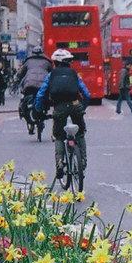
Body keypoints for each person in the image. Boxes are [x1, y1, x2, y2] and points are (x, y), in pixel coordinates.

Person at [35, 49, 91, 181]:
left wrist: (38, 109)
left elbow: (41, 94)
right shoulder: (74, 74)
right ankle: (82, 160)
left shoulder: (51, 75)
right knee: (80, 133)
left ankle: (60, 163)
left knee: (59, 136)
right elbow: (86, 94)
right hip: (75, 104)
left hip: (59, 107)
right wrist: (82, 107)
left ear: (56, 62)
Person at [18, 46, 52, 136]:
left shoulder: (28, 61)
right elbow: (51, 74)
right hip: (42, 86)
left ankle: (31, 124)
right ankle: (44, 112)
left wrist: (19, 79)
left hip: (29, 85)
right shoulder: (47, 61)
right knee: (45, 99)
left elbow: (21, 73)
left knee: (25, 101)